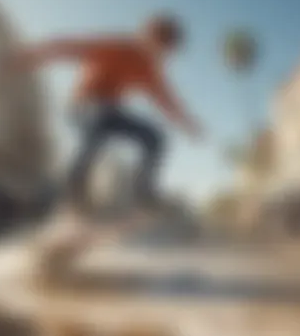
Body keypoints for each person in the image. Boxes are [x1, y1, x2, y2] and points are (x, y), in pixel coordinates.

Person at [16, 14, 203, 215]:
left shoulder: (149, 70)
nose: (158, 54)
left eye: (164, 52)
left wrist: (188, 125)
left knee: (155, 138)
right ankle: (73, 188)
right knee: (99, 122)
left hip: (113, 114)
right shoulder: (116, 46)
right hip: (82, 106)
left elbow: (168, 101)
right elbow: (69, 46)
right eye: (157, 46)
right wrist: (32, 57)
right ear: (146, 36)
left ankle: (143, 193)